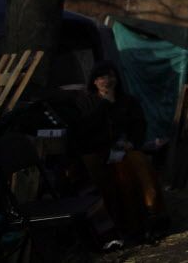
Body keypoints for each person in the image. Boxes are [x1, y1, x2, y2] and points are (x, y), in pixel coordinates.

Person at [76, 61, 169, 241]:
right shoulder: (86, 103)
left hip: (124, 150)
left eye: (111, 76)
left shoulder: (128, 101)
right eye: (102, 77)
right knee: (103, 177)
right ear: (94, 81)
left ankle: (153, 215)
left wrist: (132, 142)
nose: (107, 81)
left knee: (139, 166)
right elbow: (84, 130)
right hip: (98, 151)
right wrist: (104, 104)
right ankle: (112, 226)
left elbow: (138, 126)